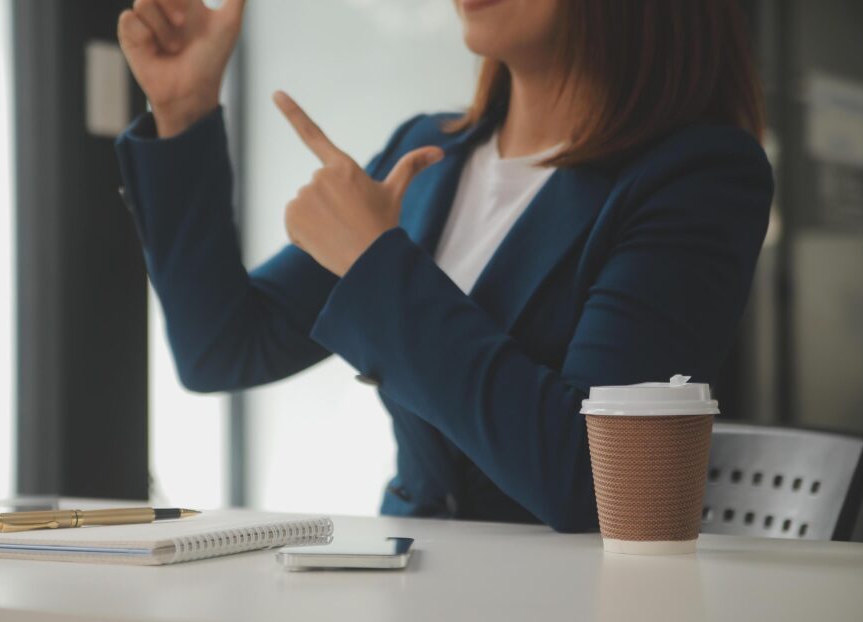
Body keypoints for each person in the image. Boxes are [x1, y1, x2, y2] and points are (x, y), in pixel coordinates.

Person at [114, 0, 773, 531]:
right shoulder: (427, 150)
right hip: (409, 592)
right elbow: (222, 348)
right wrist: (184, 112)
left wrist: (375, 264)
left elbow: (595, 482)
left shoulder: (695, 175)